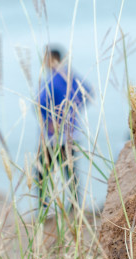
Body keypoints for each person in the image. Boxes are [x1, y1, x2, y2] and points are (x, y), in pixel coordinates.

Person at [35, 45, 91, 213]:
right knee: (71, 172)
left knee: (41, 174)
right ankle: (74, 208)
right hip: (71, 134)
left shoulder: (52, 78)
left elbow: (39, 104)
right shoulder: (70, 75)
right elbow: (88, 92)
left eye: (45, 58)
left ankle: (43, 209)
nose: (43, 62)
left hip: (53, 137)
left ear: (52, 59)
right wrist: (72, 112)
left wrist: (51, 120)